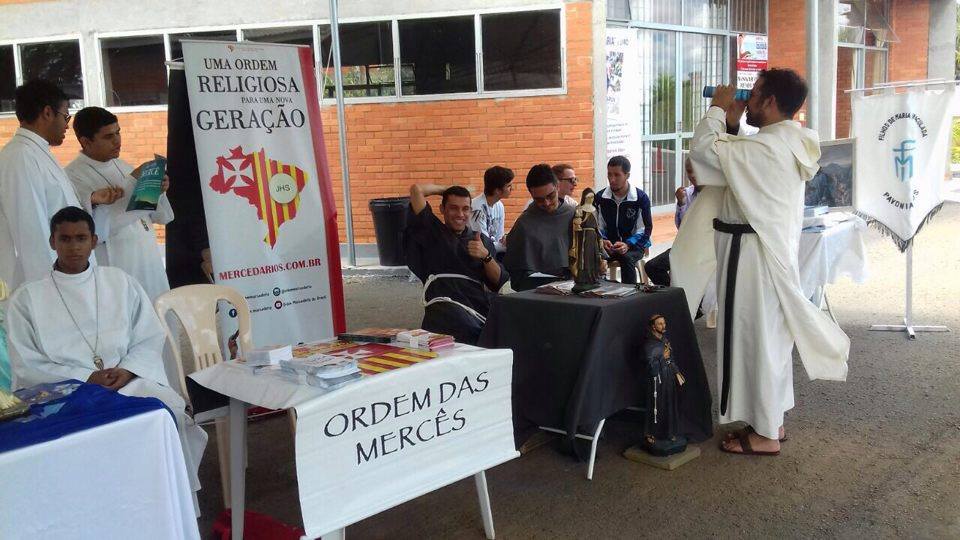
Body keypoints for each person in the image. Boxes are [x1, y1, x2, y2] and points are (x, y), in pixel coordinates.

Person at [673, 70, 849, 456]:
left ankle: (766, 435)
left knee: (755, 342)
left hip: (752, 257)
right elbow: (737, 166)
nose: (747, 99)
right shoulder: (785, 142)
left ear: (770, 102)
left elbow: (705, 153)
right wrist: (733, 125)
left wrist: (717, 110)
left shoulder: (769, 147)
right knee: (768, 342)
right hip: (760, 254)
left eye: (753, 94)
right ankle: (771, 422)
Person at [5, 206, 206, 490]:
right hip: (67, 393)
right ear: (52, 242)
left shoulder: (119, 282)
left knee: (167, 409)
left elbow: (149, 335)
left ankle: (170, 494)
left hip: (129, 383)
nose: (74, 247)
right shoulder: (27, 298)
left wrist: (128, 370)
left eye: (81, 238)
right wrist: (86, 377)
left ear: (94, 240)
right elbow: (26, 362)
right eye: (65, 239)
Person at [0, 79, 120, 391]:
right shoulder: (20, 157)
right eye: (66, 116)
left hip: (62, 281)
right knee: (49, 375)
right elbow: (31, 232)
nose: (67, 125)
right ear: (46, 113)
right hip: (43, 286)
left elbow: (59, 211)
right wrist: (54, 289)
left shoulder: (37, 153)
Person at [64, 106, 173, 301]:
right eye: (108, 136)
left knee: (159, 311)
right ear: (86, 141)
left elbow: (159, 217)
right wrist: (131, 182)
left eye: (118, 132)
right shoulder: (73, 176)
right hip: (118, 263)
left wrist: (158, 190)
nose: (117, 140)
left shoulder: (122, 165)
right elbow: (96, 228)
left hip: (149, 259)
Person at [405, 184, 509, 344]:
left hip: (476, 306)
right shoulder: (432, 231)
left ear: (470, 211)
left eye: (465, 209)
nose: (460, 214)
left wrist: (486, 256)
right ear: (442, 209)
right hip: (443, 304)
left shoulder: (481, 241)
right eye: (453, 208)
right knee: (462, 325)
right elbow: (416, 190)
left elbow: (499, 282)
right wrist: (446, 190)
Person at [504, 164, 575, 291]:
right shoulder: (524, 224)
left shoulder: (575, 215)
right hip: (537, 291)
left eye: (550, 196)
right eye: (539, 200)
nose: (546, 203)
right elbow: (515, 272)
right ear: (531, 195)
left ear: (557, 186)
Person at [644, 158, 702, 287]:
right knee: (652, 266)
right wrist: (681, 203)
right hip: (685, 247)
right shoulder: (686, 194)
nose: (693, 175)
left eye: (696, 171)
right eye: (689, 171)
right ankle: (674, 294)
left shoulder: (714, 195)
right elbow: (681, 227)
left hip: (706, 250)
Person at [596, 155, 653, 284]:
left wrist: (628, 244)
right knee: (592, 257)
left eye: (617, 175)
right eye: (609, 174)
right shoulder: (600, 197)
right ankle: (598, 290)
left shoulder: (640, 198)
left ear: (627, 175)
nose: (612, 179)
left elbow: (645, 229)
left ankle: (629, 293)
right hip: (609, 246)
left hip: (635, 246)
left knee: (626, 258)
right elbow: (598, 225)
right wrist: (603, 240)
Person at [471, 166, 514, 258]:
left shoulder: (499, 206)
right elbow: (483, 244)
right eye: (509, 186)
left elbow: (499, 237)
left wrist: (505, 240)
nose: (512, 188)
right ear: (497, 190)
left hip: (494, 253)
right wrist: (509, 244)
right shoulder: (477, 209)